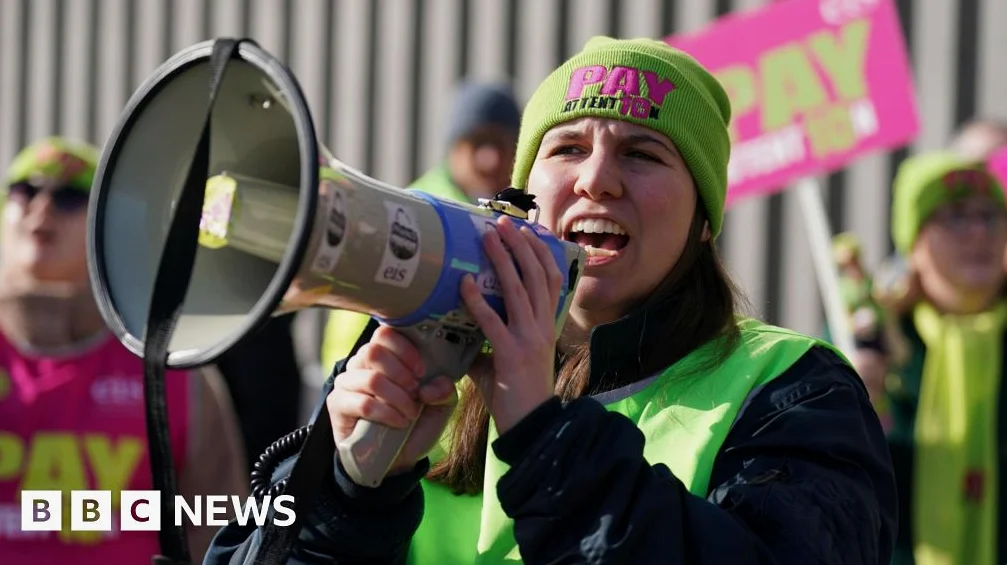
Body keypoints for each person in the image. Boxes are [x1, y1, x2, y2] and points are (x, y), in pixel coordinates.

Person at [206, 36, 897, 564]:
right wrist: (347, 494)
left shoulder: (794, 390)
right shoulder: (424, 360)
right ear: (525, 193)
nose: (597, 179)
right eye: (566, 148)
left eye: (643, 154)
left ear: (703, 220)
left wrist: (543, 438)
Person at [0, 137, 248, 562]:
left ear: (107, 226)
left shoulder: (172, 372)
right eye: (25, 190)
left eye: (69, 197)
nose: (42, 208)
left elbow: (220, 533)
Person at [856, 152, 1007, 565]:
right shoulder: (868, 339)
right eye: (955, 217)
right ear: (915, 243)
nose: (979, 232)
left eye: (990, 215)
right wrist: (848, 409)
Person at [320, 80, 522, 371]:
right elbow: (355, 314)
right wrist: (346, 381)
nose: (490, 158)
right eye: (478, 142)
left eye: (501, 143)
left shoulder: (512, 215)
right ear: (453, 147)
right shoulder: (417, 214)